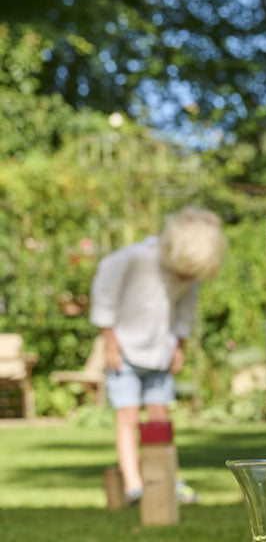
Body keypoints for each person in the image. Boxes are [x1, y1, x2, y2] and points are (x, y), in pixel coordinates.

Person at [89, 206, 228, 505]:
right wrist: (109, 339)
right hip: (124, 354)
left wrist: (179, 345)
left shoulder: (189, 273)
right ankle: (134, 485)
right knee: (127, 417)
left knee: (160, 421)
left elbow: (185, 312)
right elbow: (104, 294)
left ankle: (169, 479)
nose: (184, 278)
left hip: (159, 355)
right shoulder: (134, 258)